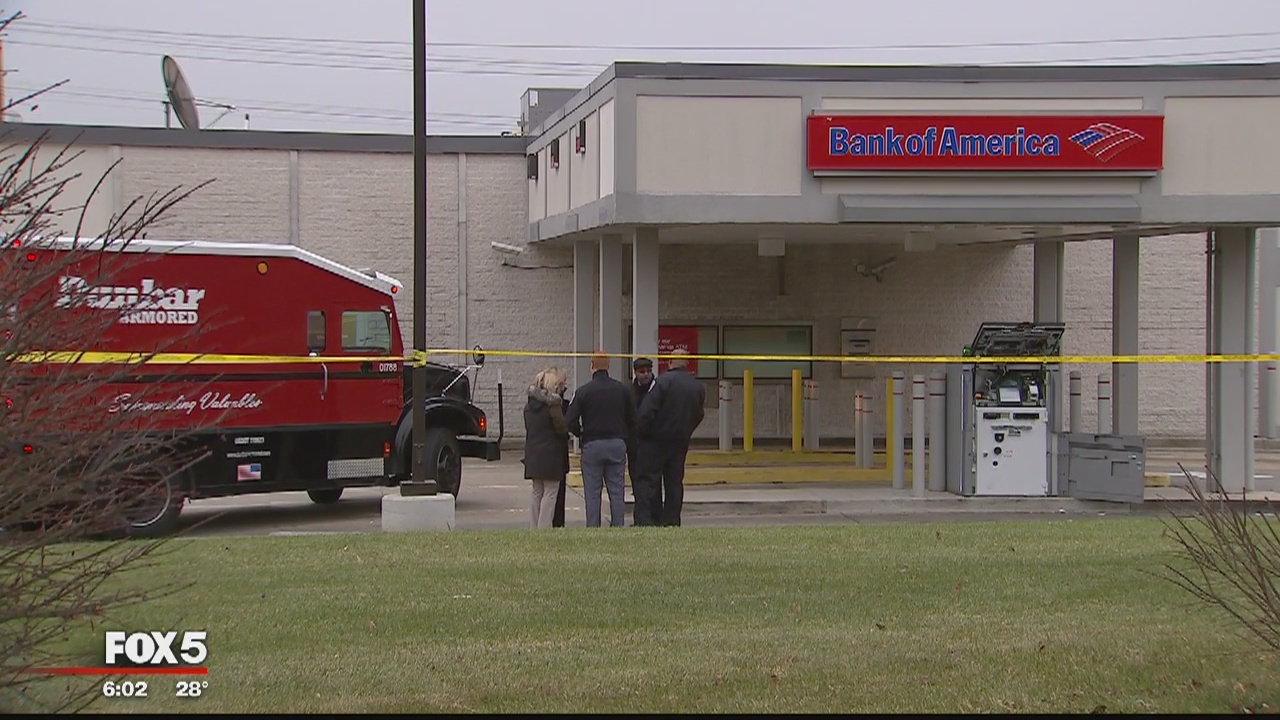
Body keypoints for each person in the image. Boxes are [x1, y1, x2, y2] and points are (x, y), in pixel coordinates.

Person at [635, 349, 705, 527]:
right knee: (674, 482)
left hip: (655, 441)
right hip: (680, 441)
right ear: (687, 363)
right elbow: (699, 414)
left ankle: (646, 520)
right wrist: (686, 430)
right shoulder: (696, 386)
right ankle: (672, 520)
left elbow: (646, 412)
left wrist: (641, 434)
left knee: (648, 481)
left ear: (669, 362)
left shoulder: (662, 382)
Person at [565, 352, 635, 528]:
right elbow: (633, 418)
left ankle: (593, 528)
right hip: (617, 443)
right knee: (617, 491)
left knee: (592, 492)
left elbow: (569, 420)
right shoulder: (623, 390)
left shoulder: (583, 392)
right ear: (609, 366)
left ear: (592, 366)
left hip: (593, 444)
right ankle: (618, 526)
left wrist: (580, 433)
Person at [521, 367, 570, 529]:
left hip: (533, 453)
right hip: (551, 454)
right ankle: (544, 528)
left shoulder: (528, 408)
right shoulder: (553, 406)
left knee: (537, 491)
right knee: (550, 492)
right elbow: (561, 428)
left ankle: (533, 527)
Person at [627, 357, 656, 495]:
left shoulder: (657, 389)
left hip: (654, 438)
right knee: (635, 470)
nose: (645, 374)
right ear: (635, 373)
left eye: (648, 371)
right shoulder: (630, 391)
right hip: (635, 440)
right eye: (642, 371)